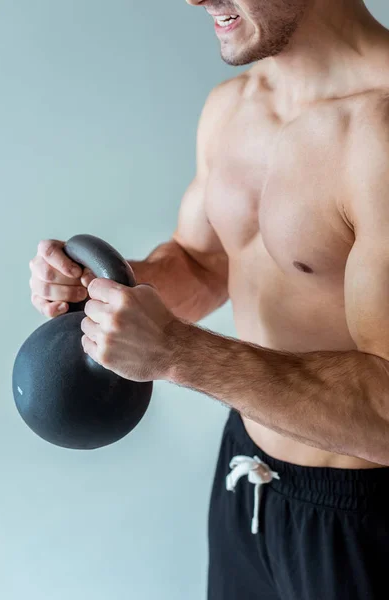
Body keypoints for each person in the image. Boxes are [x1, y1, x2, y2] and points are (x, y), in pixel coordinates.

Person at [29, 0, 389, 598]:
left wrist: (176, 354)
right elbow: (203, 263)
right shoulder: (231, 109)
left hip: (362, 519)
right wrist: (105, 290)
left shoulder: (382, 133)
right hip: (247, 477)